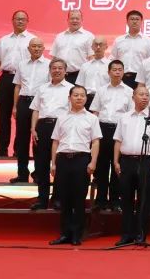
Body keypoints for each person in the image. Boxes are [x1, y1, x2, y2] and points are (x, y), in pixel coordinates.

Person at [47, 85, 101, 246]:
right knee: (64, 199)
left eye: (82, 95)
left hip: (81, 159)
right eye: (76, 95)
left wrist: (93, 161)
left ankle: (77, 234)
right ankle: (65, 234)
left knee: (78, 198)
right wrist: (54, 163)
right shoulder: (62, 117)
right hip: (63, 159)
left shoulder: (92, 118)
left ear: (86, 98)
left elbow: (95, 141)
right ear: (69, 98)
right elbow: (55, 141)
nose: (79, 98)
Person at [113, 85, 150, 246]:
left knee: (144, 199)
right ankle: (126, 234)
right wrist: (116, 161)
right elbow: (118, 140)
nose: (144, 97)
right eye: (141, 94)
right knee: (126, 199)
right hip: (126, 161)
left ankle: (141, 234)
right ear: (133, 97)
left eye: (147, 95)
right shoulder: (124, 117)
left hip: (146, 161)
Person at [29, 59, 74, 210]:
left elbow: (73, 112)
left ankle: (57, 198)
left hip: (61, 127)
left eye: (60, 68)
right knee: (41, 164)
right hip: (42, 127)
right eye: (54, 68)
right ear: (49, 70)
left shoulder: (71, 89)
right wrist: (33, 129)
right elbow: (36, 109)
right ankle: (42, 199)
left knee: (60, 164)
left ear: (65, 71)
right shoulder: (42, 88)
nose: (57, 70)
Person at [88, 60, 133, 211]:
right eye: (114, 69)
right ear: (109, 72)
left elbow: (131, 115)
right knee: (101, 166)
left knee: (117, 166)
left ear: (123, 72)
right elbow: (95, 112)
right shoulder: (101, 90)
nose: (117, 72)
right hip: (102, 129)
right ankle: (100, 200)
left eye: (120, 69)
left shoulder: (129, 91)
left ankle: (115, 200)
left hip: (120, 130)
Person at [0, 10, 34, 157]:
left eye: (23, 19)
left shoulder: (32, 40)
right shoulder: (4, 40)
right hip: (6, 78)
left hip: (24, 80)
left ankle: (19, 149)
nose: (20, 21)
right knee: (3, 115)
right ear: (12, 21)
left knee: (22, 116)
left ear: (27, 22)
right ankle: (2, 148)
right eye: (17, 19)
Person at [10, 37, 49, 183]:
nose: (36, 49)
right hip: (24, 102)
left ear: (43, 48)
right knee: (22, 139)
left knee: (38, 139)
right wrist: (15, 106)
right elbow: (17, 86)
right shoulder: (22, 64)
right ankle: (22, 174)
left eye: (39, 46)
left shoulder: (49, 64)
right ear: (28, 49)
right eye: (34, 46)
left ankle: (38, 173)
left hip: (40, 104)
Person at [112, 10, 150, 89]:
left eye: (137, 19)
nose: (134, 21)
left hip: (140, 79)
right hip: (121, 77)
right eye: (132, 19)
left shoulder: (148, 41)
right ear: (127, 22)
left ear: (141, 22)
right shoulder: (119, 40)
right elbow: (113, 59)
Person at [51, 10, 94, 84]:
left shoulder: (89, 36)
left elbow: (92, 58)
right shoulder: (59, 36)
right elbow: (54, 57)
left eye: (77, 18)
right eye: (72, 18)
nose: (74, 20)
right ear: (67, 20)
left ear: (82, 20)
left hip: (79, 76)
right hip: (60, 75)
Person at [75, 37, 111, 110]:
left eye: (101, 44)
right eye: (96, 45)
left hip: (103, 100)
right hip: (86, 99)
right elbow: (79, 85)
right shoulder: (85, 66)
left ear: (106, 47)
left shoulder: (110, 66)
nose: (98, 47)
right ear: (92, 47)